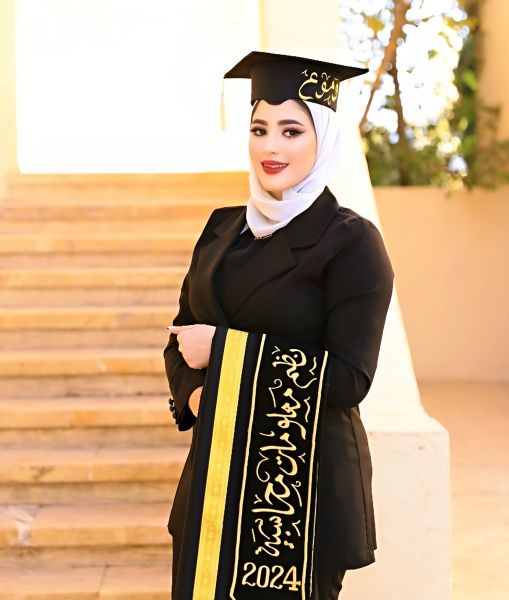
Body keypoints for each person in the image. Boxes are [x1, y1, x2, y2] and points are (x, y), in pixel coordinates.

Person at [163, 50, 394, 599]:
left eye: (291, 130)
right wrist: (199, 397)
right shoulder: (222, 230)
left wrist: (224, 351)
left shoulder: (351, 242)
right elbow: (181, 339)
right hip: (214, 479)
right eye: (259, 129)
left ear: (323, 138)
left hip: (300, 492)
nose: (271, 147)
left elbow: (349, 378)